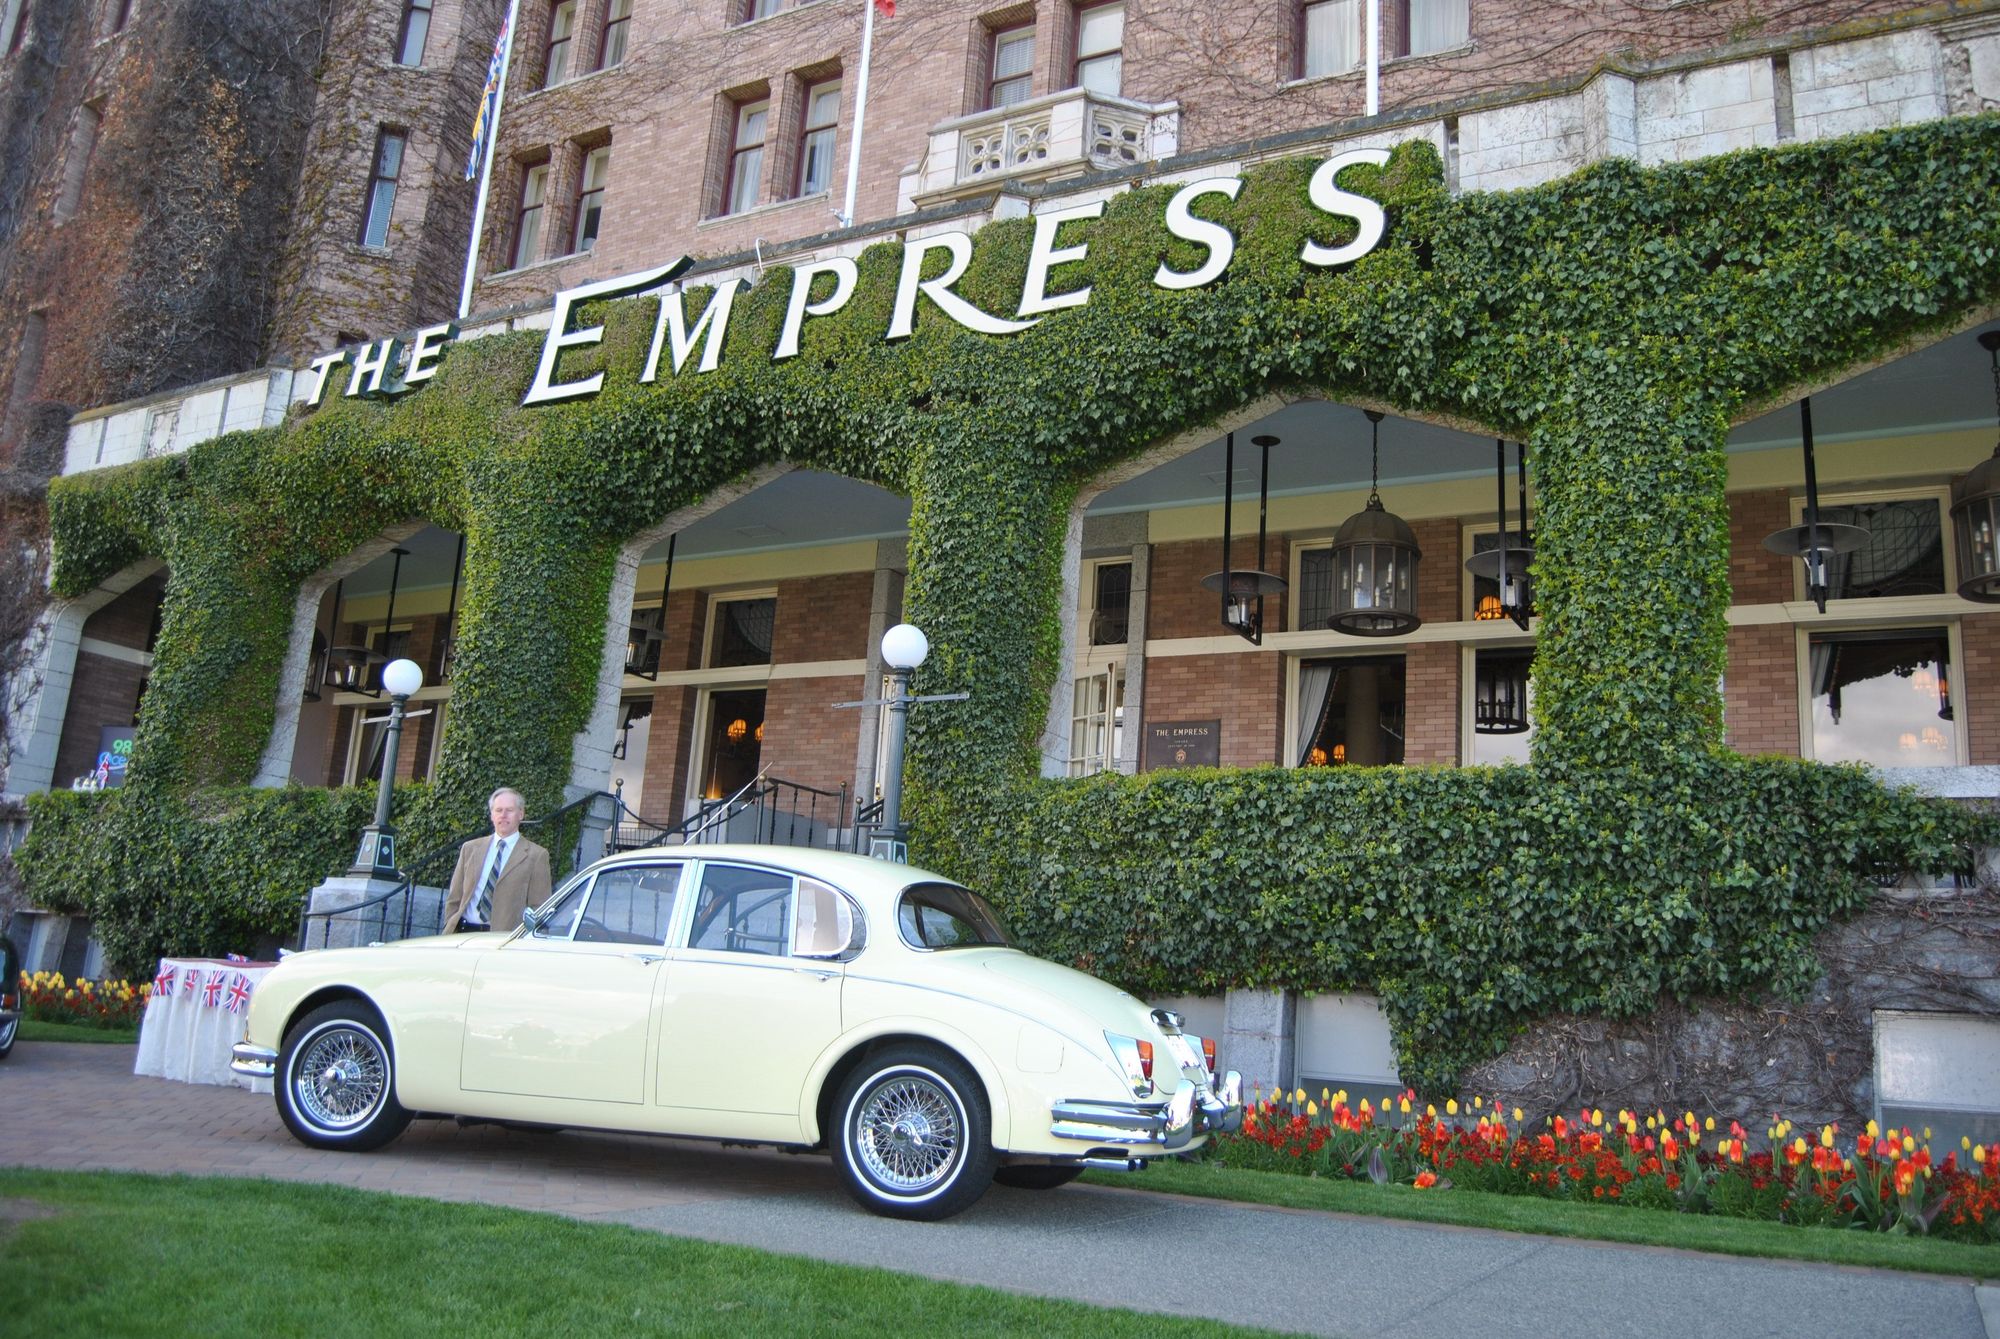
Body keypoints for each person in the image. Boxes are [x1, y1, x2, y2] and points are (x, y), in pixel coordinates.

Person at [442, 787, 551, 934]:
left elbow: (539, 907)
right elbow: (454, 896)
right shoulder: (470, 849)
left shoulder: (536, 855)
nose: (503, 815)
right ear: (492, 815)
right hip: (462, 932)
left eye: (509, 810)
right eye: (498, 810)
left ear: (521, 814)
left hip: (502, 938)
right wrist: (449, 923)